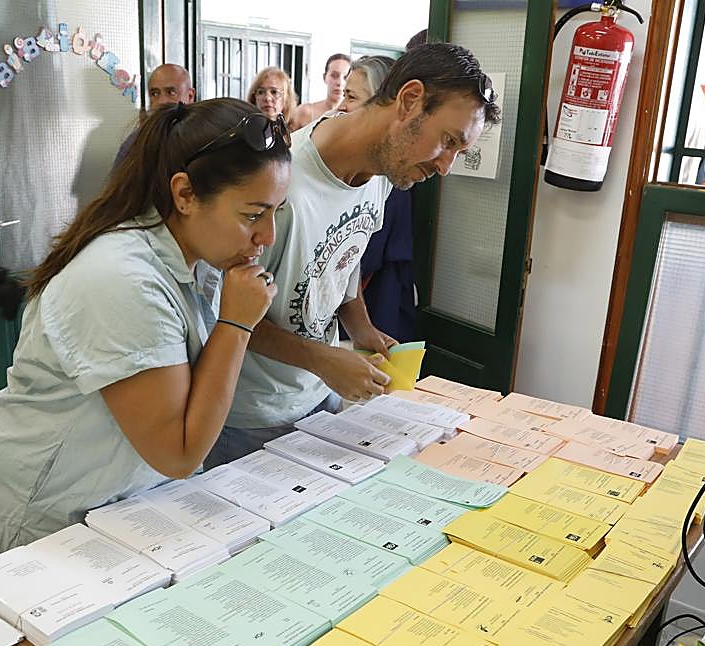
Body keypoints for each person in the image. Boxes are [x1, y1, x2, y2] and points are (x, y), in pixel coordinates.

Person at [0, 98, 289, 566]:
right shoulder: (122, 277)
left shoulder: (197, 259)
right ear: (185, 194)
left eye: (276, 211)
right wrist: (236, 324)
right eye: (253, 214)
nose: (268, 236)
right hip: (46, 496)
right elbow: (177, 450)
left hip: (113, 490)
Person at [207, 42, 501, 467]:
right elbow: (226, 310)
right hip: (252, 416)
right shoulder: (281, 184)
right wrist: (324, 359)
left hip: (319, 398)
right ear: (410, 100)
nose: (445, 167)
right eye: (447, 141)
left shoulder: (382, 173)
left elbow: (345, 256)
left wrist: (359, 327)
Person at [337, 55, 419, 342]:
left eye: (350, 97)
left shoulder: (388, 176)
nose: (341, 108)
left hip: (375, 303)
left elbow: (356, 259)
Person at [112, 64, 196, 170]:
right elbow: (118, 184)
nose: (162, 101)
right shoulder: (136, 142)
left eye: (171, 92)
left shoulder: (206, 135)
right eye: (155, 94)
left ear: (190, 96)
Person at [290, 53, 351, 130]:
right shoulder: (305, 112)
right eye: (334, 75)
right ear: (324, 77)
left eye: (346, 77)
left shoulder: (354, 116)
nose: (340, 82)